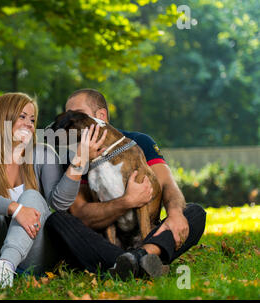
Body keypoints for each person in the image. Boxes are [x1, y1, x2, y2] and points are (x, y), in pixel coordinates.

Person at [45, 89, 207, 280]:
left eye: (77, 114)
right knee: (58, 220)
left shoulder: (139, 142)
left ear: (101, 116)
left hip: (147, 231)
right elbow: (81, 215)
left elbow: (168, 186)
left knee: (194, 213)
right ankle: (141, 263)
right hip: (107, 241)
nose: (69, 121)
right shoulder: (72, 158)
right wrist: (126, 201)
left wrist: (175, 214)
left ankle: (135, 259)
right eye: (68, 115)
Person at [0, 92, 107, 290]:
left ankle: (6, 268)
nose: (29, 124)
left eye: (32, 119)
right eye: (22, 116)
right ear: (3, 117)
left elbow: (60, 204)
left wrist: (79, 161)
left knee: (31, 195)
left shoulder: (43, 154)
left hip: (34, 256)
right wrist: (16, 209)